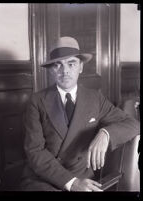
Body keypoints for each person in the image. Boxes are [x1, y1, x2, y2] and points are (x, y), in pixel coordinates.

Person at [20, 36, 139, 191]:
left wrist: (106, 133)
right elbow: (35, 152)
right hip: (43, 179)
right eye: (58, 65)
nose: (65, 71)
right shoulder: (36, 101)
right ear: (51, 71)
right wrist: (71, 182)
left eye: (71, 63)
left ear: (81, 67)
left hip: (83, 179)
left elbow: (133, 124)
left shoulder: (95, 98)